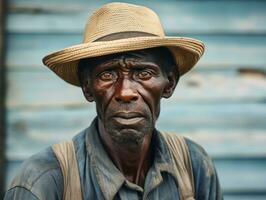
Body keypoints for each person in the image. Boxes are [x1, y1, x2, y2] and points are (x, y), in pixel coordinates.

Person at [5, 2, 223, 200]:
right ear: (87, 87)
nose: (125, 92)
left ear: (170, 83)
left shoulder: (193, 166)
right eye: (107, 75)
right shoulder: (44, 181)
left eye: (143, 73)